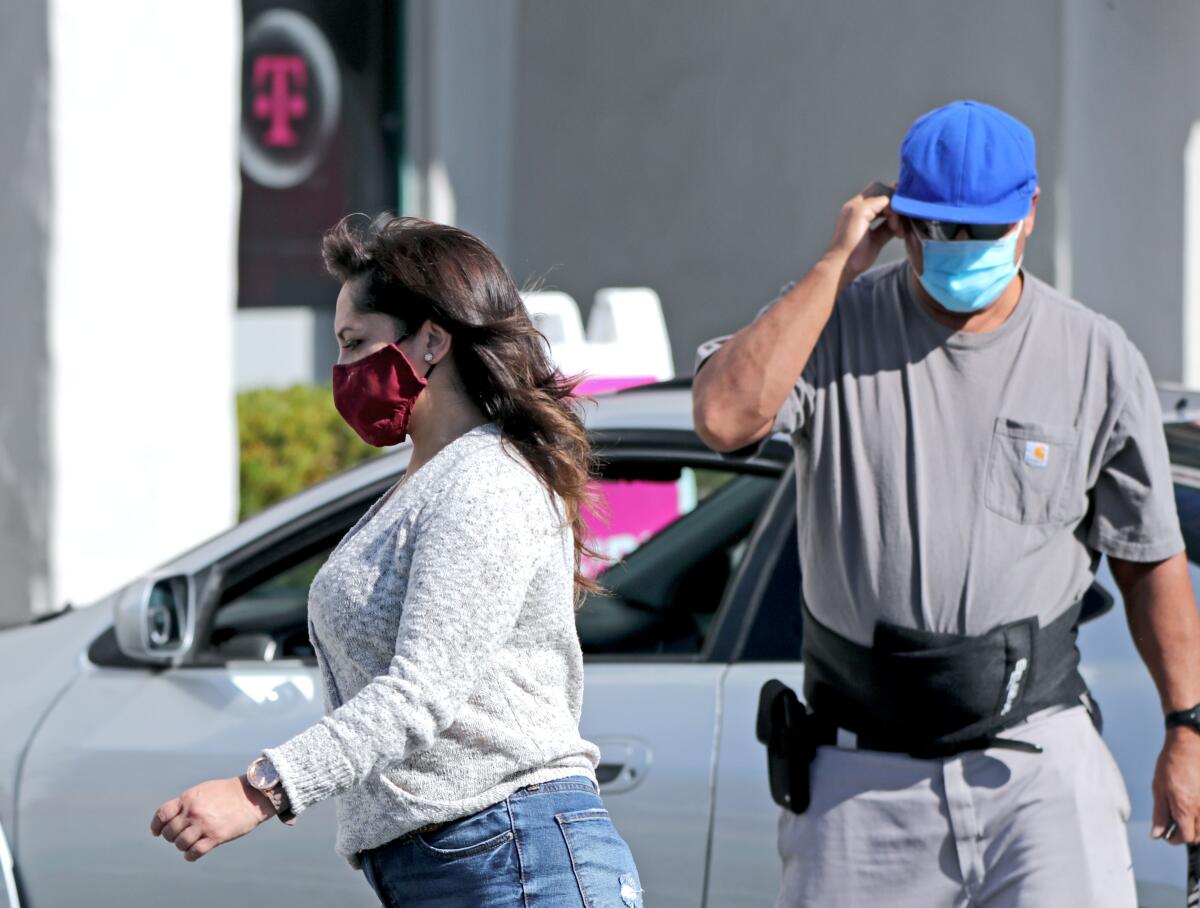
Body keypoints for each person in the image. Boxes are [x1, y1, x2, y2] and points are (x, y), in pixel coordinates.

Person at [694, 100, 1200, 907]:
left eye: (981, 232)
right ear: (895, 216)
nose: (959, 250)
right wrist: (834, 267)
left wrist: (1189, 731)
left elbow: (1150, 559)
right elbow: (723, 420)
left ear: (1030, 214)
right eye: (939, 228)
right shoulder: (831, 329)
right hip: (861, 777)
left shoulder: (1095, 354)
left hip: (1037, 771)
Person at [150, 216, 644, 908]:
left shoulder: (485, 482)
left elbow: (418, 695)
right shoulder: (426, 483)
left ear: (433, 340)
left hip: (514, 860)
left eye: (356, 343)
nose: (343, 372)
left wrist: (260, 790)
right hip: (465, 865)